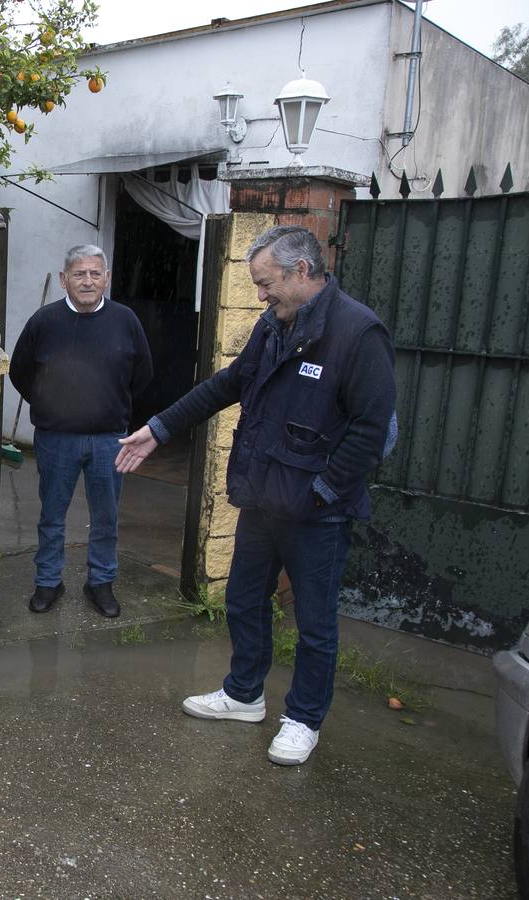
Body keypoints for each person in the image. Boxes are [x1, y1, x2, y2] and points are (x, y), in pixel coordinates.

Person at [115, 224, 396, 765]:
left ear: (301, 271)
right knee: (244, 601)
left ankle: (304, 718)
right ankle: (244, 694)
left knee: (314, 623)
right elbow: (227, 384)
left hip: (318, 512)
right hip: (264, 498)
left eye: (267, 284)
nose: (261, 296)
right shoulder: (273, 326)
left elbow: (371, 427)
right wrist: (159, 429)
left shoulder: (358, 333)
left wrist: (323, 492)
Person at [9, 244, 153, 618]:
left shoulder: (125, 321)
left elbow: (142, 375)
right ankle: (48, 581)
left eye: (95, 273)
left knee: (106, 516)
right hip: (56, 439)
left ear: (106, 278)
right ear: (63, 280)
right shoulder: (44, 322)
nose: (87, 281)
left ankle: (101, 582)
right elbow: (20, 372)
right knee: (51, 515)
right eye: (79, 273)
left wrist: (108, 407)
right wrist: (51, 405)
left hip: (110, 439)